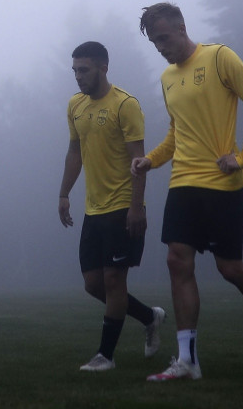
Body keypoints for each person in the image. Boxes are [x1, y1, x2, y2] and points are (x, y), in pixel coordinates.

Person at [132, 3, 243, 381]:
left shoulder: (219, 57)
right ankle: (187, 360)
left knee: (230, 269)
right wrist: (150, 161)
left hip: (221, 183)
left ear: (181, 27)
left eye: (164, 38)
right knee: (177, 261)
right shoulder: (167, 78)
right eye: (154, 42)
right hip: (182, 182)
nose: (160, 47)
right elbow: (177, 132)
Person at [58, 41, 166, 372]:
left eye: (84, 70)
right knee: (94, 285)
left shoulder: (125, 104)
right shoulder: (75, 105)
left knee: (115, 281)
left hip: (122, 206)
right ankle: (150, 317)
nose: (78, 77)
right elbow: (75, 152)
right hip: (94, 209)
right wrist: (64, 194)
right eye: (75, 70)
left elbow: (139, 160)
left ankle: (105, 356)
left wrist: (137, 207)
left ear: (104, 67)